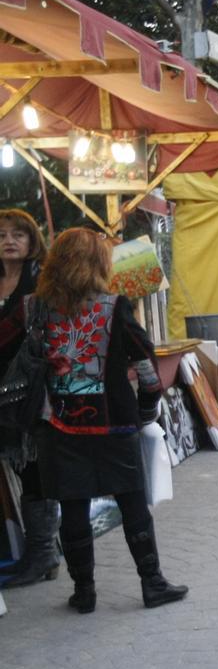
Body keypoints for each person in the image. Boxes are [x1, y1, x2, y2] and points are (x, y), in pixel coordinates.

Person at [26, 227, 187, 613]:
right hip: (114, 422)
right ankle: (152, 583)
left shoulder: (34, 307)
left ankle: (84, 593)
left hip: (57, 424)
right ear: (100, 263)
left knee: (74, 507)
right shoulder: (115, 306)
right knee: (132, 503)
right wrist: (147, 410)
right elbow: (146, 367)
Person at [0, 209, 57, 590]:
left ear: (32, 239)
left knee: (33, 465)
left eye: (18, 233)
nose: (9, 240)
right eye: (2, 233)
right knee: (17, 465)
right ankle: (40, 552)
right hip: (2, 390)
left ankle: (43, 554)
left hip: (34, 387)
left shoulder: (43, 279)